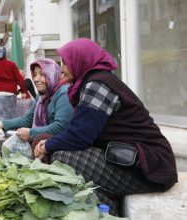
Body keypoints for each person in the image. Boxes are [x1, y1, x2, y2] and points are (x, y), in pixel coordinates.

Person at [33, 38, 178, 215]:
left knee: (63, 158)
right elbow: (80, 130)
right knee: (54, 147)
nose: (62, 68)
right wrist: (48, 142)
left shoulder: (98, 85)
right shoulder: (92, 81)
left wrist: (49, 146)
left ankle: (106, 212)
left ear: (80, 60)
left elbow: (80, 136)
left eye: (66, 63)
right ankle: (108, 212)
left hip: (150, 167)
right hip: (130, 159)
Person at [0, 58, 73, 146]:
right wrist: (1, 123)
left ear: (52, 74)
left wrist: (31, 132)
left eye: (42, 75)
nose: (36, 79)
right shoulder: (42, 95)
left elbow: (60, 126)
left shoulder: (64, 92)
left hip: (63, 142)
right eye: (34, 75)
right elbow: (27, 119)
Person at [0, 46, 28, 120]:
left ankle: (1, 131)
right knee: (10, 116)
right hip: (11, 94)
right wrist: (24, 90)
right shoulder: (12, 64)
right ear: (5, 54)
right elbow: (20, 79)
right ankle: (10, 130)